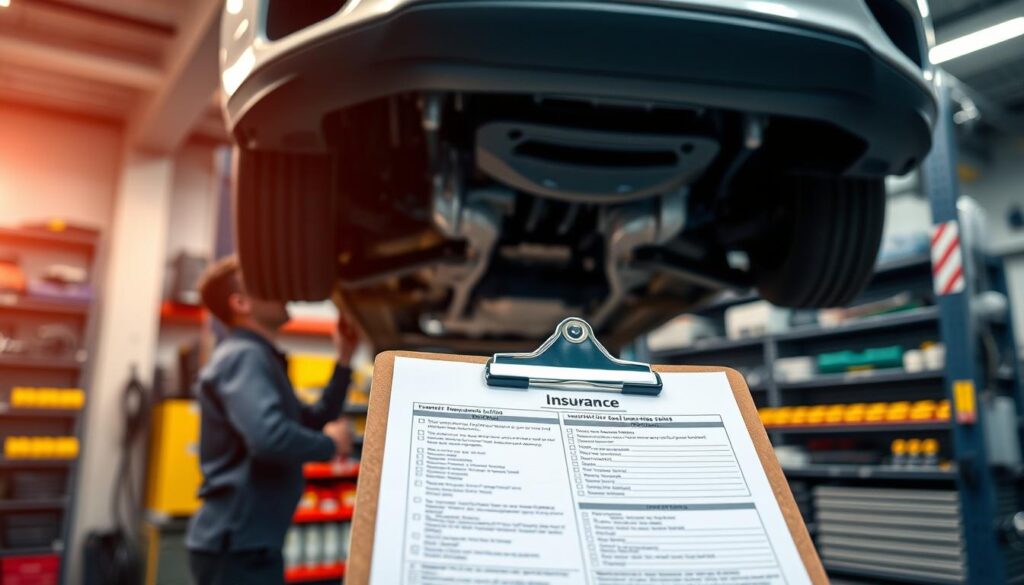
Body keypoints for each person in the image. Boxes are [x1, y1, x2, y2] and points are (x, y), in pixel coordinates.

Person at [185, 255, 358, 585]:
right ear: (241, 303)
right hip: (235, 546)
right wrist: (330, 445)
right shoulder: (243, 357)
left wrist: (345, 360)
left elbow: (313, 419)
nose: (280, 290)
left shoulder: (259, 358)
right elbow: (269, 437)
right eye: (264, 284)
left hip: (248, 543)